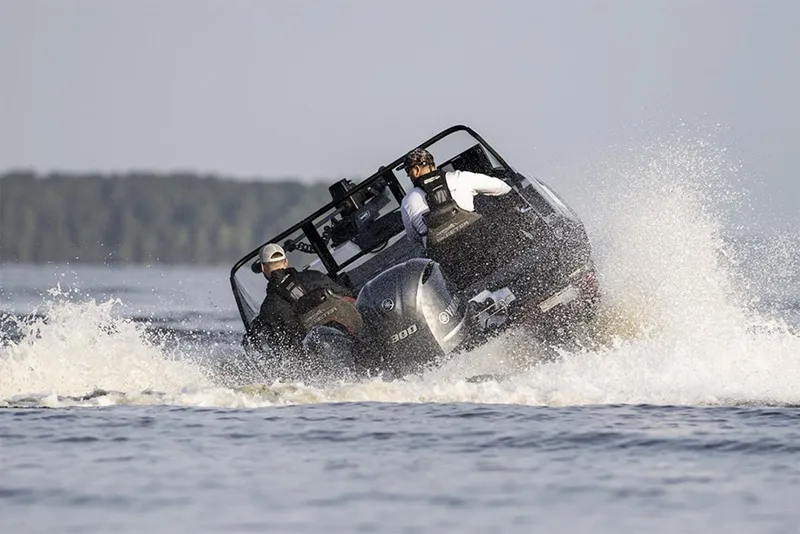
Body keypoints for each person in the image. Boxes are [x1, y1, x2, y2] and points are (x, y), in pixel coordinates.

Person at [245, 243, 363, 380]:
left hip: (318, 370)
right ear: (286, 262)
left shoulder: (269, 308)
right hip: (357, 342)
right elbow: (350, 298)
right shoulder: (315, 276)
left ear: (263, 267)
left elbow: (281, 347)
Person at [400, 147, 512, 247]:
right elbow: (501, 187)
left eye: (407, 171)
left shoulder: (407, 201)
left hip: (448, 261)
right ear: (432, 165)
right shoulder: (460, 177)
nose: (408, 176)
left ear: (416, 170)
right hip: (480, 244)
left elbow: (413, 237)